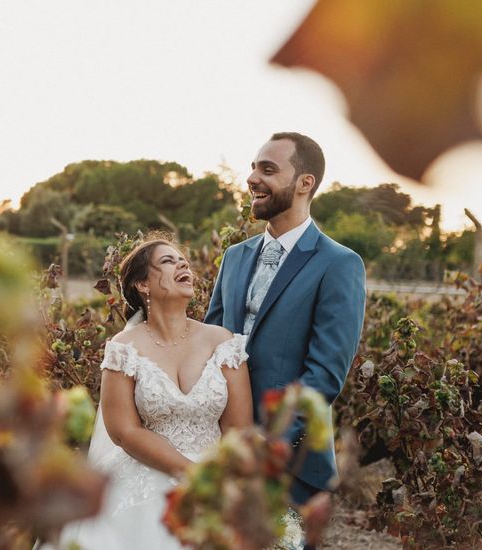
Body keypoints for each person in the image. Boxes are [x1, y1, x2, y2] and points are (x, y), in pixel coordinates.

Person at [204, 132, 367, 549]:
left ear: (304, 183)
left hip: (291, 464)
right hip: (221, 451)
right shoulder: (234, 257)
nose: (252, 178)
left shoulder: (339, 264)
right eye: (254, 167)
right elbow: (212, 345)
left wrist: (269, 441)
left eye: (268, 169)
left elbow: (326, 374)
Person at [53, 238, 255, 549]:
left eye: (183, 260)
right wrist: (190, 473)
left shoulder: (221, 341)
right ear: (143, 284)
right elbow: (124, 431)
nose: (183, 264)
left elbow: (237, 428)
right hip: (145, 474)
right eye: (168, 261)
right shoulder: (124, 348)